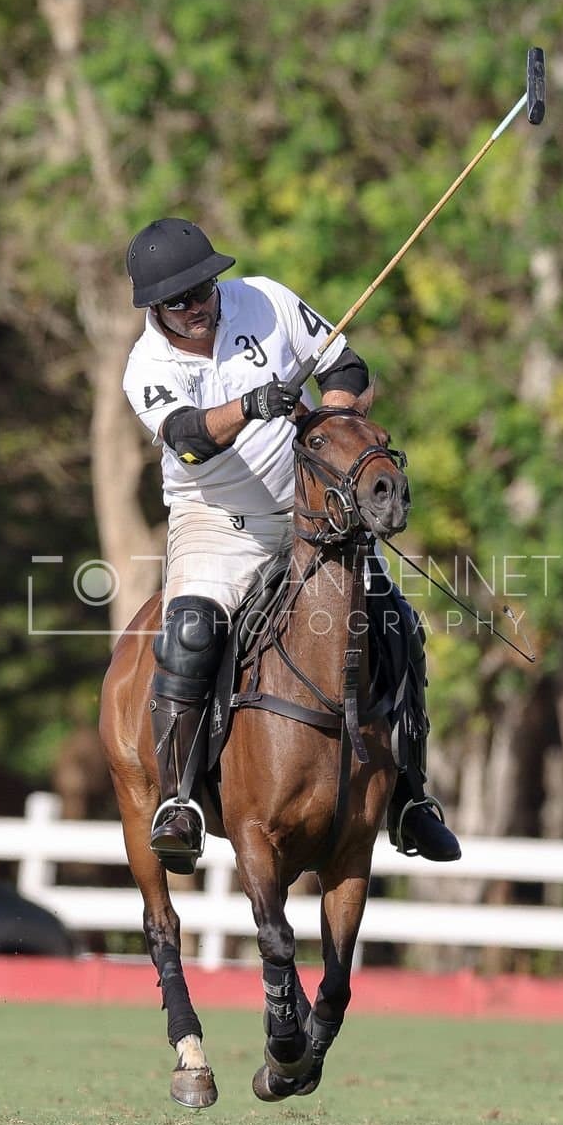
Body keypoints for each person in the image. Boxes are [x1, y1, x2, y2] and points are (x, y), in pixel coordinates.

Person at [122, 217, 460, 872]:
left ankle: (412, 798)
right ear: (156, 310)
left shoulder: (267, 301)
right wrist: (251, 405)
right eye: (181, 301)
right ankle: (181, 800)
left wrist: (329, 423)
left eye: (206, 289)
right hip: (218, 520)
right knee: (190, 634)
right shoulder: (149, 367)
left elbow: (347, 365)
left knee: (399, 626)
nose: (200, 307)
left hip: (314, 507)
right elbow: (189, 436)